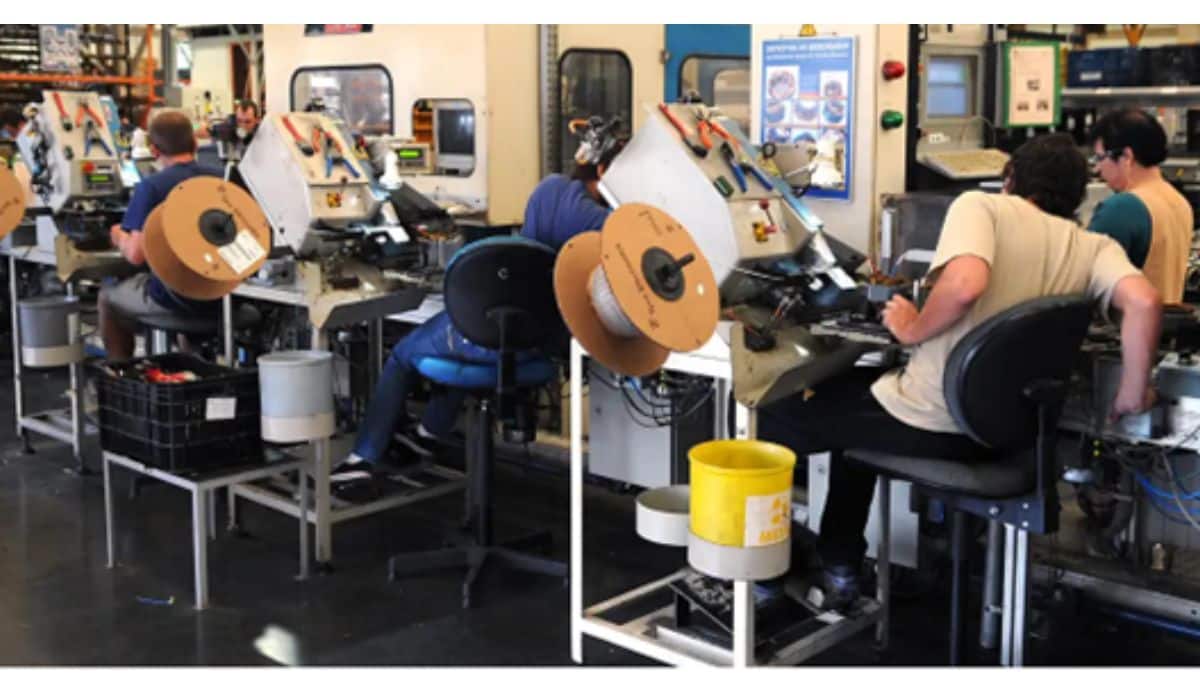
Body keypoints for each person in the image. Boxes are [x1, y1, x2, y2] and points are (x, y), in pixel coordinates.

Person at [758, 133, 1163, 611]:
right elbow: (1145, 301)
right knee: (853, 419)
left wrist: (912, 328)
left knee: (768, 414)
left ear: (1010, 179)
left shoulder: (982, 206)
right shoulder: (1094, 246)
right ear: (1078, 196)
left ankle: (764, 579)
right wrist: (1134, 390)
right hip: (1008, 435)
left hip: (931, 420)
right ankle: (839, 566)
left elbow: (967, 284)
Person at [333, 117, 626, 483]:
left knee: (404, 355)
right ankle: (427, 435)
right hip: (538, 344)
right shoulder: (608, 223)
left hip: (489, 334)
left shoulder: (549, 187)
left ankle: (363, 457)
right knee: (465, 344)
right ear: (605, 172)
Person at [98, 110, 223, 360]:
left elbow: (135, 255)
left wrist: (118, 235)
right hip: (220, 294)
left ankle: (121, 371)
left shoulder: (152, 187)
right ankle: (188, 359)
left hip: (173, 299)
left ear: (154, 151)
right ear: (195, 143)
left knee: (107, 298)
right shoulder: (220, 178)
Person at [1087, 108, 1194, 303]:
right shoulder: (1179, 201)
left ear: (1126, 156)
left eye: (1100, 158)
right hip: (1165, 317)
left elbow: (1088, 281)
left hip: (1127, 321)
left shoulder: (1121, 208)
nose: (1097, 168)